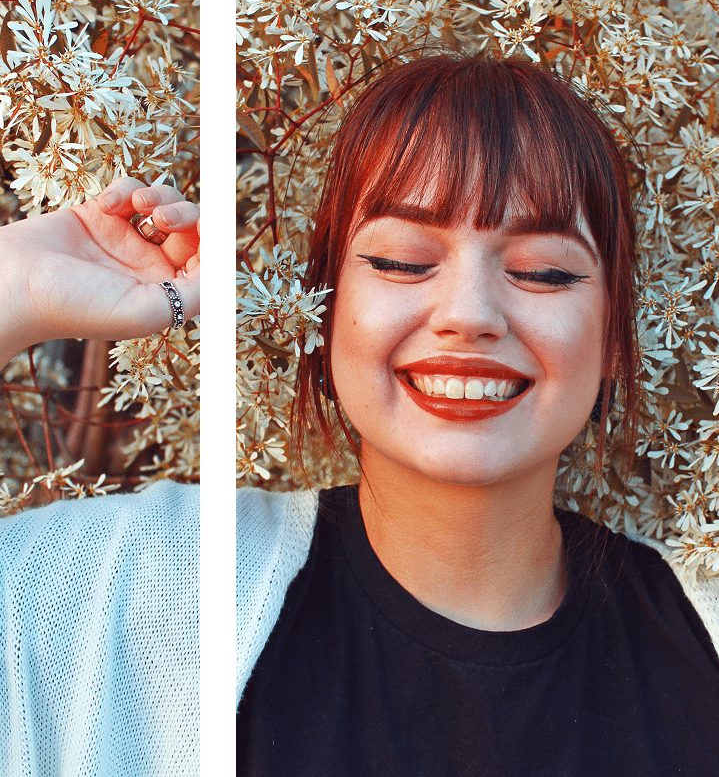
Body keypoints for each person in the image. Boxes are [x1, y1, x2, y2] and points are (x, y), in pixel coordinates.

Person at [236, 53, 719, 775]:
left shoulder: (699, 639)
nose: (468, 316)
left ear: (616, 336)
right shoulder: (167, 585)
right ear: (323, 306)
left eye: (542, 272)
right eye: (401, 261)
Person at [0, 177, 200, 775]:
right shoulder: (120, 572)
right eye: (407, 262)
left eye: (502, 267)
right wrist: (18, 284)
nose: (466, 316)